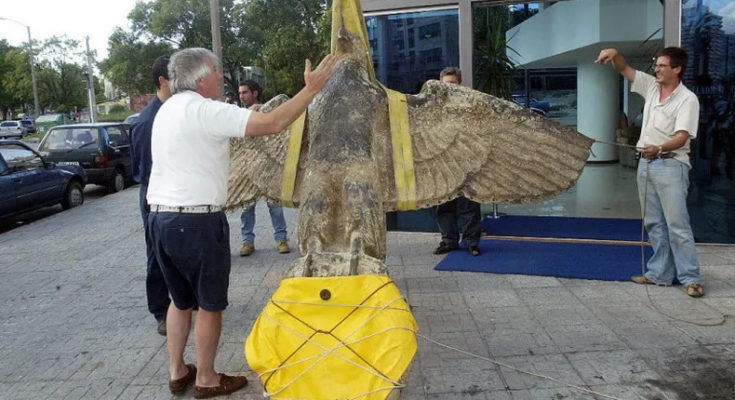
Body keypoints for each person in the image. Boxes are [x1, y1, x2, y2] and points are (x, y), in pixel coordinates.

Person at [146, 48, 336, 397]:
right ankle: (206, 378)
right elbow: (274, 124)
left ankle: (177, 372)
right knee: (209, 304)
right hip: (197, 222)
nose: (221, 77)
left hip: (160, 218)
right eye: (216, 71)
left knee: (179, 300)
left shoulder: (168, 109)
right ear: (202, 78)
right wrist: (311, 90)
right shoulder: (205, 109)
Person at [595, 47, 704, 297]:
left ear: (677, 69)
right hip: (646, 164)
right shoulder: (652, 87)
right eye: (657, 65)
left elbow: (682, 137)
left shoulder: (687, 99)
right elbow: (624, 68)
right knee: (654, 223)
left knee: (677, 225)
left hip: (671, 164)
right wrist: (614, 53)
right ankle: (660, 274)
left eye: (663, 66)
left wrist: (659, 148)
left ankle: (691, 278)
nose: (657, 69)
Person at [130, 55, 172, 336]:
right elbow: (144, 171)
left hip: (175, 191)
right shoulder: (148, 121)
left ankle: (185, 299)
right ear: (162, 81)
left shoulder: (175, 111)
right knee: (157, 254)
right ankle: (160, 311)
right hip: (156, 194)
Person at [432, 67, 483, 257]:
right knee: (444, 205)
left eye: (453, 83)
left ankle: (472, 242)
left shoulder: (471, 105)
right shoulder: (434, 107)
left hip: (466, 161)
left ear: (459, 84)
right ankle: (449, 241)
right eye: (446, 84)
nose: (449, 87)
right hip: (442, 163)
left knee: (469, 204)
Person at [237, 79, 290, 256]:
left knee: (275, 205)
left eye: (245, 92)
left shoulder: (268, 111)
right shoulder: (237, 114)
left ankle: (281, 239)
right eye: (240, 93)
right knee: (246, 208)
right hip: (247, 167)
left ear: (254, 93)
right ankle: (247, 242)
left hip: (267, 167)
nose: (241, 96)